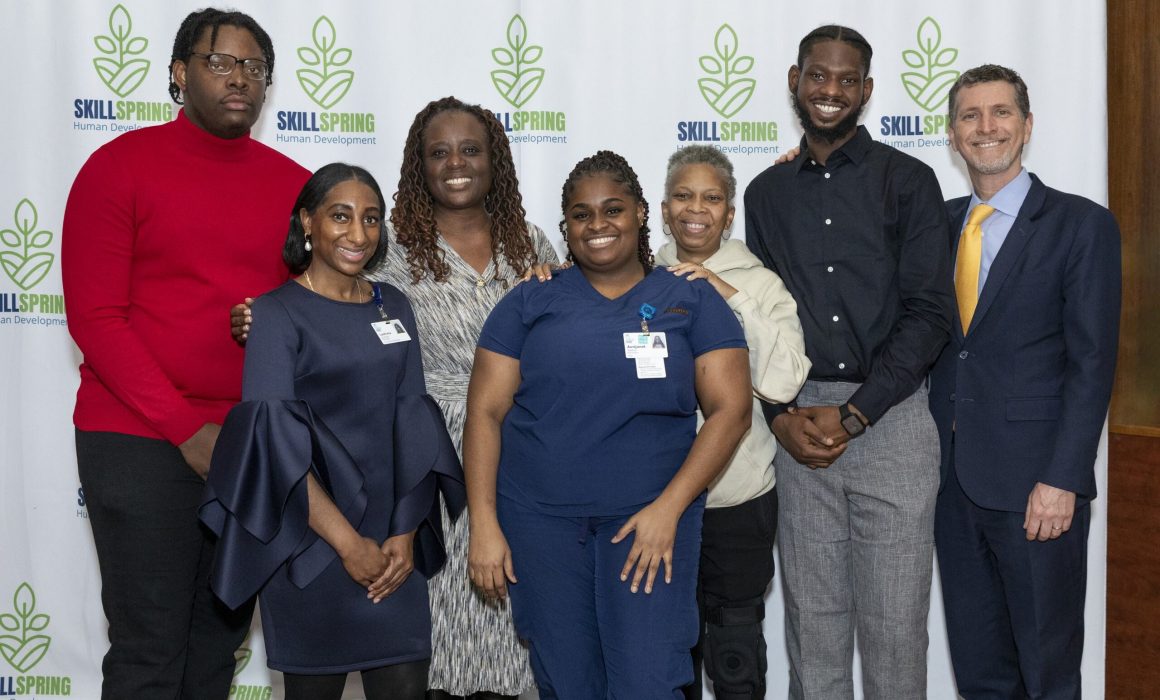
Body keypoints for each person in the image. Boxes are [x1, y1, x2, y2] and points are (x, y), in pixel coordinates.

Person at [232, 96, 557, 699]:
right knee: (428, 655)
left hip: (519, 461)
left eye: (470, 149)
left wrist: (561, 287)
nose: (455, 163)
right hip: (424, 473)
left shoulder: (532, 246)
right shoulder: (390, 253)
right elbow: (322, 307)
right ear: (418, 165)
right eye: (438, 152)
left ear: (496, 160)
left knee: (521, 643)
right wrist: (259, 324)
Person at [61, 9, 309, 698]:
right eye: (220, 62)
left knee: (217, 645)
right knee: (149, 645)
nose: (240, 78)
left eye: (254, 67)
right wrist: (186, 431)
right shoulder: (117, 168)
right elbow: (97, 319)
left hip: (250, 445)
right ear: (179, 72)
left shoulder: (298, 187)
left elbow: (320, 314)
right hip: (138, 438)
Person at [465, 150, 753, 698]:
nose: (597, 225)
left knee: (648, 680)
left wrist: (669, 509)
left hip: (649, 525)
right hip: (540, 524)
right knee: (567, 681)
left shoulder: (689, 298)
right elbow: (485, 412)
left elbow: (731, 411)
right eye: (581, 214)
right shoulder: (530, 299)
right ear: (566, 226)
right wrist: (484, 523)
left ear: (643, 213)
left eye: (613, 209)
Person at [743, 25, 954, 699]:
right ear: (794, 81)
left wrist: (858, 412)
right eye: (817, 75)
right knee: (814, 629)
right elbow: (762, 318)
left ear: (865, 90)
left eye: (845, 79)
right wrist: (779, 415)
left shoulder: (910, 181)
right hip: (800, 428)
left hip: (890, 420)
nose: (829, 91)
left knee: (895, 635)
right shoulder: (765, 194)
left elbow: (930, 316)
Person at [200, 163, 464, 700]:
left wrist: (404, 536)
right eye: (340, 217)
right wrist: (348, 545)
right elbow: (273, 447)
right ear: (307, 223)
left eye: (371, 219)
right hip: (312, 548)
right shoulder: (276, 314)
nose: (358, 234)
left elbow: (415, 422)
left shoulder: (396, 305)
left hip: (393, 550)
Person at [930, 64, 1120, 699]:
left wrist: (1064, 478)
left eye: (1001, 113)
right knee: (981, 674)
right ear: (953, 135)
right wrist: (807, 167)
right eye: (970, 117)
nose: (986, 128)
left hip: (1038, 490)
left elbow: (1093, 363)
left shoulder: (1080, 225)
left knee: (1047, 671)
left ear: (1027, 126)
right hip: (952, 488)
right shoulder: (937, 224)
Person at [654, 145, 809, 700]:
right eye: (684, 195)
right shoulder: (634, 275)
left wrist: (722, 293)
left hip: (737, 501)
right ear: (665, 207)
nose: (697, 208)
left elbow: (785, 380)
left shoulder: (761, 284)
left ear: (729, 212)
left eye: (712, 198)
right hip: (655, 502)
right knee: (667, 658)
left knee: (736, 659)